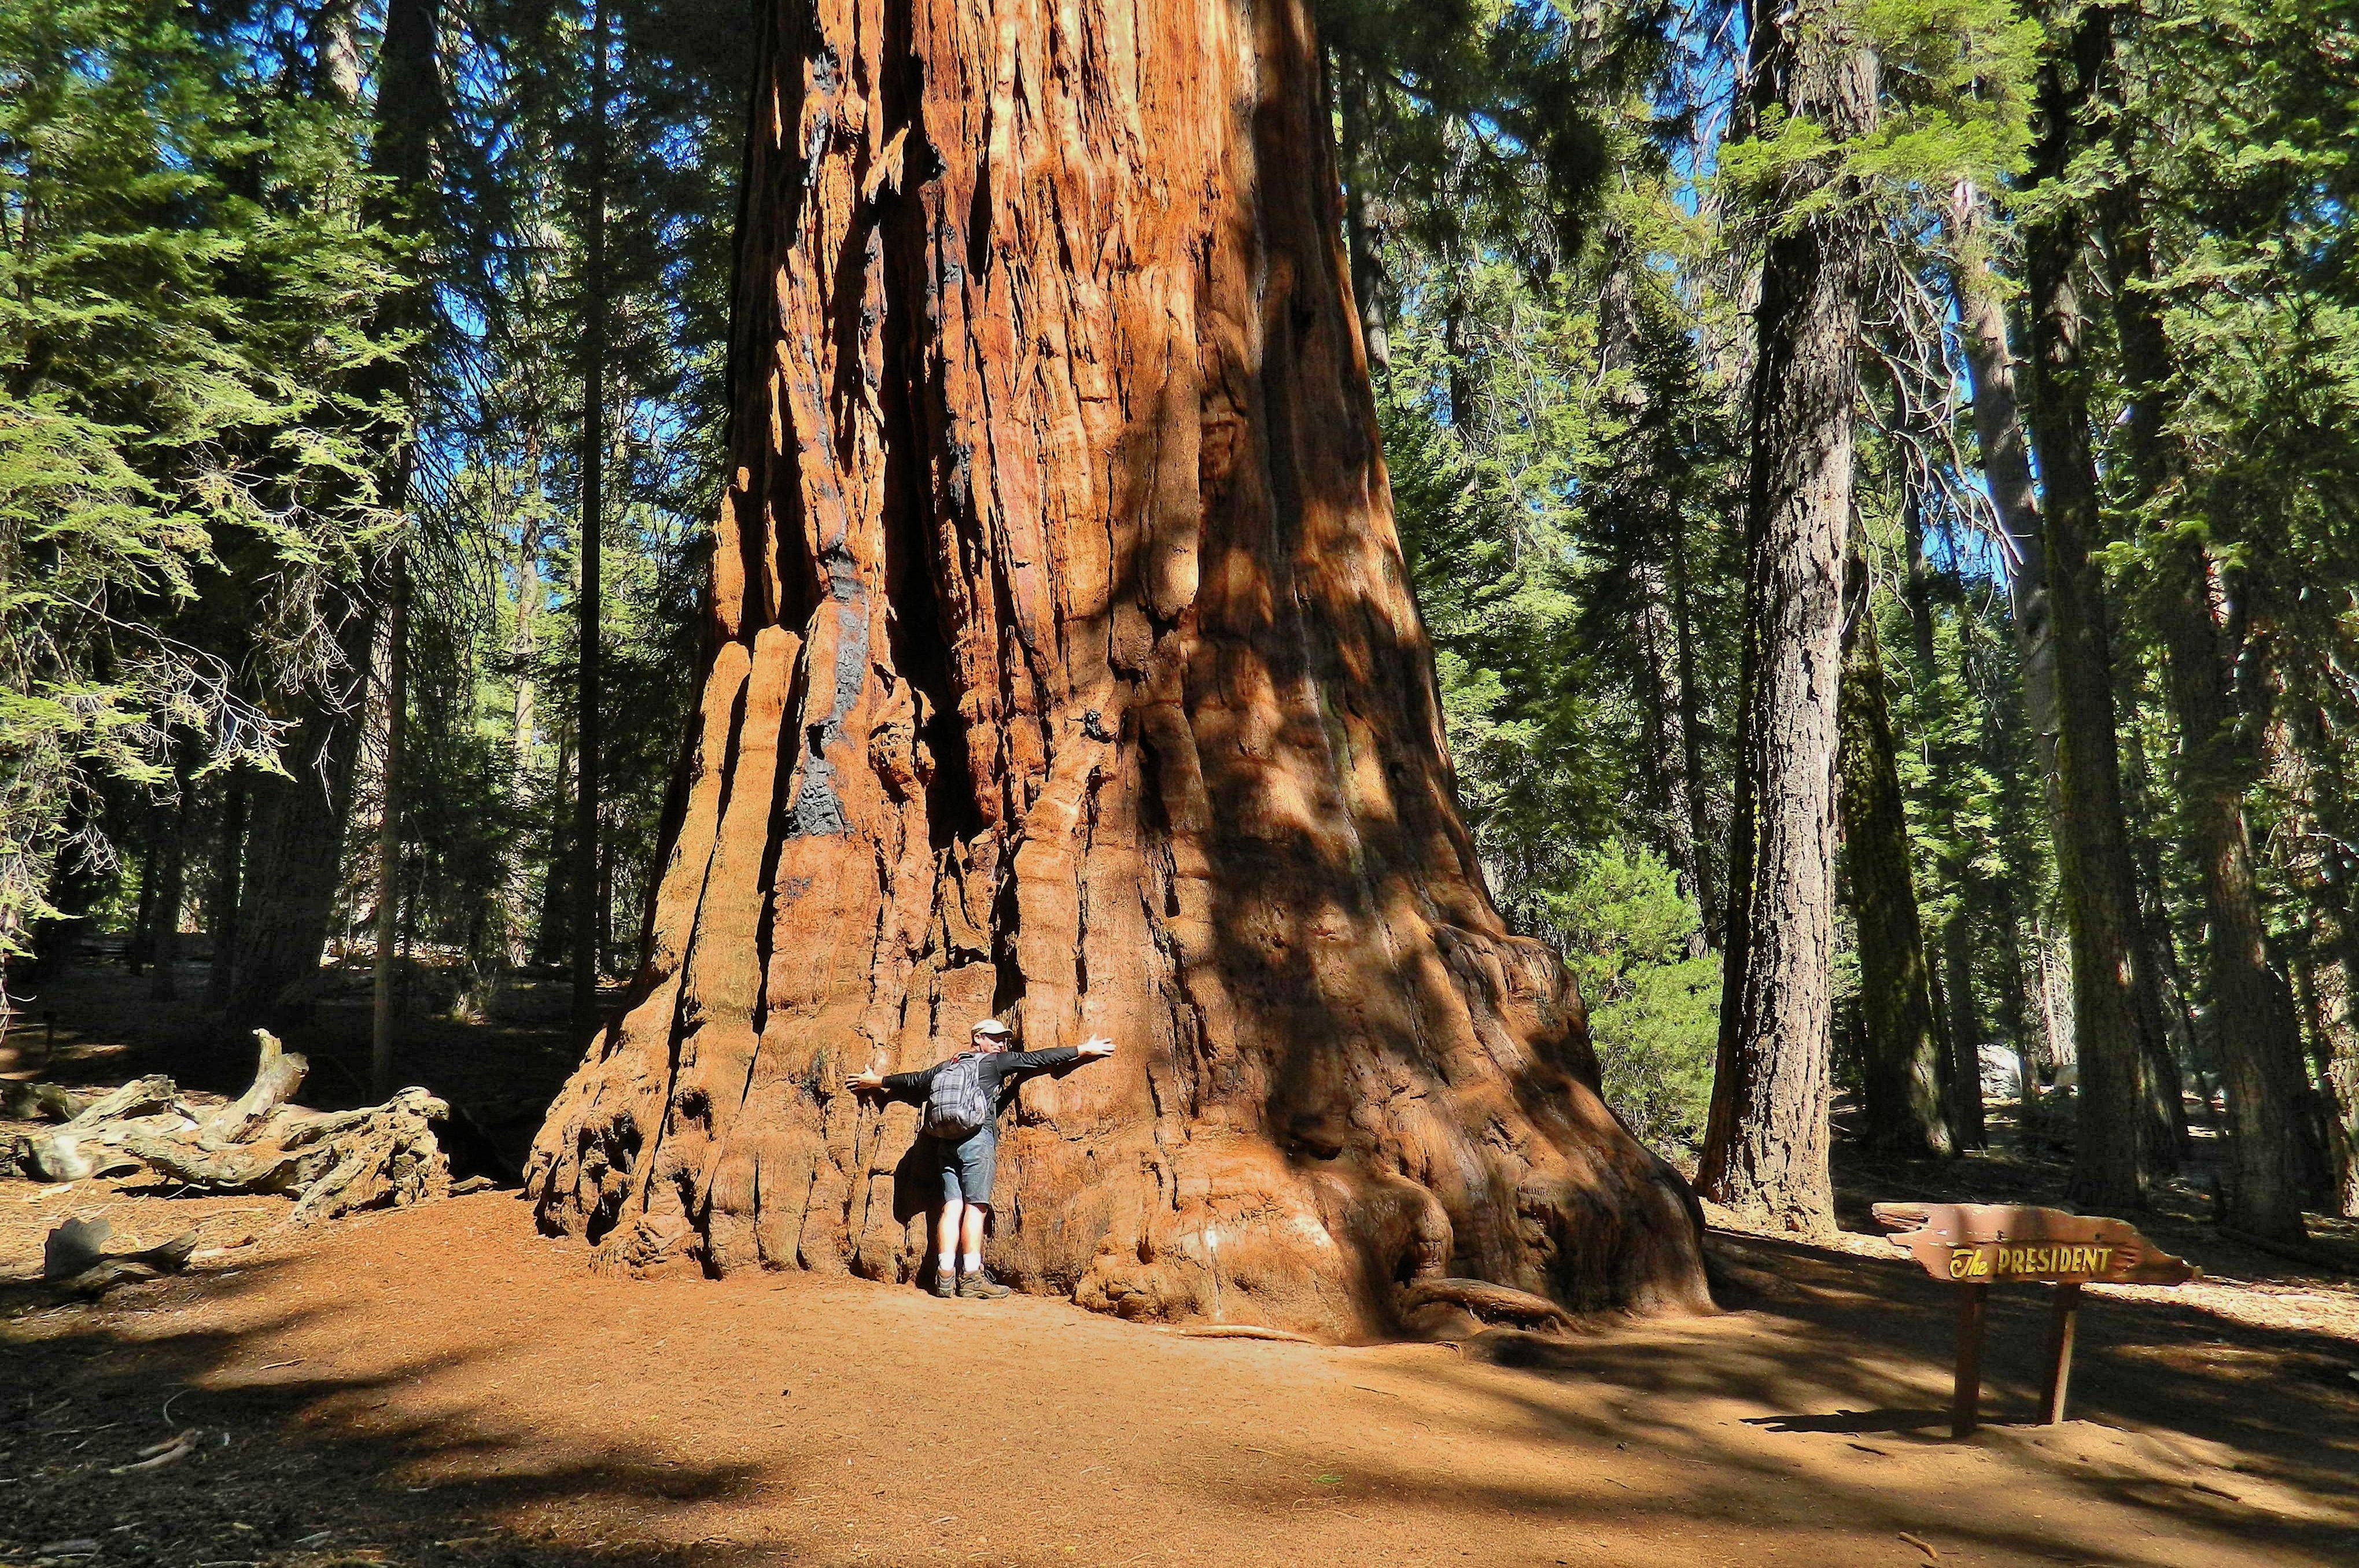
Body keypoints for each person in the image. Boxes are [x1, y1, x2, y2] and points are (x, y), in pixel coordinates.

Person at [845, 1017, 1115, 1298]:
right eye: (995, 1039)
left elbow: (914, 1080)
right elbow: (1037, 1059)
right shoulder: (993, 1063)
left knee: (952, 1206)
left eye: (1003, 1040)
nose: (1001, 1044)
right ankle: (972, 1276)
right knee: (976, 1206)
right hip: (976, 1139)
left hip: (945, 1141)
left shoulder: (947, 1066)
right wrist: (1084, 1049)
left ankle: (945, 1276)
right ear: (978, 1039)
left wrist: (876, 1081)